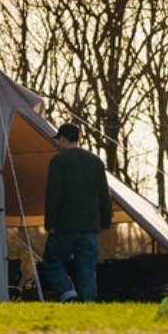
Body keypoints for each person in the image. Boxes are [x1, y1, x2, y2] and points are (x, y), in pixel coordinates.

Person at [40, 122, 112, 303]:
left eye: (59, 140)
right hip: (90, 226)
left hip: (64, 226)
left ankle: (68, 294)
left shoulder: (58, 161)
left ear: (63, 139)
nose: (58, 143)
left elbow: (53, 195)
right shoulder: (96, 162)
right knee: (87, 268)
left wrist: (50, 224)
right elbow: (104, 194)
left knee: (52, 262)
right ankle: (88, 302)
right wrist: (105, 220)